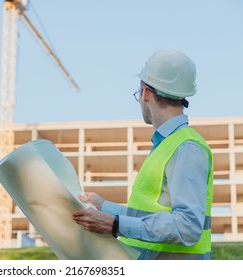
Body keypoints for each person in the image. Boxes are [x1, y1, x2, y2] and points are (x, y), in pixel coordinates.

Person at [73, 49, 214, 260]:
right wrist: (103, 206)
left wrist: (115, 225)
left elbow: (188, 227)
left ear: (146, 92)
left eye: (139, 94)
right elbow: (145, 215)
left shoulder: (186, 147)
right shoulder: (167, 144)